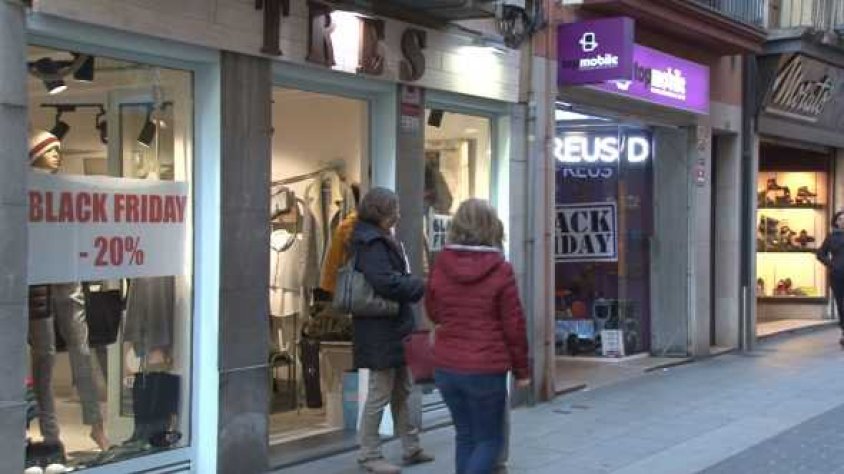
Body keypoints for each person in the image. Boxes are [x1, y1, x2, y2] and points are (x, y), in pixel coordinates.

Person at [426, 199, 529, 474]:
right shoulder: (501, 269)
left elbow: (433, 311)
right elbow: (514, 325)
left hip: (447, 366)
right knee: (488, 441)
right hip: (485, 368)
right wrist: (522, 371)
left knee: (466, 436)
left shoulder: (441, 264)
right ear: (492, 227)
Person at [28, 129, 109, 451]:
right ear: (35, 154)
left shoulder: (66, 188)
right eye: (50, 150)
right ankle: (51, 435)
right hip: (38, 279)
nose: (57, 155)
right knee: (44, 357)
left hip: (66, 271)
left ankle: (96, 425)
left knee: (81, 348)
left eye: (58, 149)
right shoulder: (25, 189)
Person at [352, 187, 434, 474]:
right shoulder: (371, 242)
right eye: (394, 209)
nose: (398, 214)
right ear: (381, 212)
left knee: (403, 389)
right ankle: (369, 454)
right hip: (379, 328)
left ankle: (411, 447)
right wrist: (419, 286)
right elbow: (385, 282)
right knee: (380, 392)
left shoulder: (379, 237)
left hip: (391, 325)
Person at [817, 210, 844, 346]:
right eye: (840, 219)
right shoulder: (831, 237)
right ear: (836, 222)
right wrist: (832, 264)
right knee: (841, 304)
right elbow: (820, 254)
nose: (843, 221)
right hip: (837, 275)